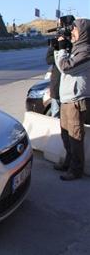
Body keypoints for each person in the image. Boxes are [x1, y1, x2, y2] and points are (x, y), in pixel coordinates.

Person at [53, 18, 90, 180]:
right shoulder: (76, 48)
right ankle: (68, 163)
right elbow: (60, 66)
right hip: (66, 99)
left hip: (77, 100)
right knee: (66, 135)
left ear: (83, 32)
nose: (71, 33)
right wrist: (58, 48)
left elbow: (65, 67)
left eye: (74, 30)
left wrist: (62, 49)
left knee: (75, 137)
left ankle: (76, 170)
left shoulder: (86, 51)